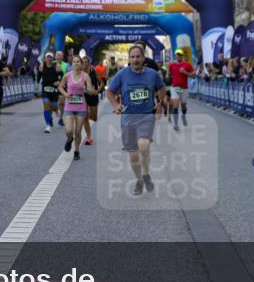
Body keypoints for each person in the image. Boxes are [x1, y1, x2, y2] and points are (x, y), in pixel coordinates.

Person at [107, 44, 166, 195]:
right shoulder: (122, 74)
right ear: (129, 59)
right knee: (133, 155)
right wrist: (116, 105)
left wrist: (159, 104)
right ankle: (140, 180)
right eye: (132, 57)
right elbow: (110, 92)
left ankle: (146, 173)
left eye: (138, 56)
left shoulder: (152, 74)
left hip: (146, 115)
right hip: (128, 118)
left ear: (143, 57)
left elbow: (161, 88)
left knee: (144, 144)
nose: (135, 59)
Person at [59, 55, 94, 161]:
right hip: (69, 106)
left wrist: (85, 88)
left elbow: (90, 92)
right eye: (74, 62)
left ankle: (76, 151)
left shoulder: (86, 76)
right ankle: (69, 139)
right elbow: (60, 87)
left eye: (78, 62)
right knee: (69, 130)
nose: (76, 63)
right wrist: (65, 94)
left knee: (78, 131)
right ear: (72, 63)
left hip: (81, 107)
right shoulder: (67, 75)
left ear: (81, 64)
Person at [168, 48, 195, 131]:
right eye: (177, 54)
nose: (178, 56)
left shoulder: (187, 65)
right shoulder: (172, 65)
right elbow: (169, 74)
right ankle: (176, 124)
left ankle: (184, 116)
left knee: (183, 105)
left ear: (182, 56)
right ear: (175, 55)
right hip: (175, 87)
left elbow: (193, 76)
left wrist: (185, 72)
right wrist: (168, 76)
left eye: (180, 54)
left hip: (184, 88)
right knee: (175, 104)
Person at [38, 52, 62, 133]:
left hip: (54, 90)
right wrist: (37, 84)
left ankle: (53, 114)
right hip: (45, 89)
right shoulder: (42, 66)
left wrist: (59, 82)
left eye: (51, 57)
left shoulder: (56, 66)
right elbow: (39, 75)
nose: (49, 59)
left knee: (54, 107)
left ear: (53, 58)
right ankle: (48, 125)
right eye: (48, 57)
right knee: (46, 105)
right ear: (45, 58)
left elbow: (62, 76)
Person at [82, 56, 102, 145]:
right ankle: (89, 137)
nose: (85, 64)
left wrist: (98, 91)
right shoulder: (79, 72)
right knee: (85, 118)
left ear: (89, 63)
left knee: (94, 118)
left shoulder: (94, 71)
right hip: (83, 96)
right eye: (83, 62)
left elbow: (101, 82)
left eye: (86, 62)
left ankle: (90, 114)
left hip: (93, 95)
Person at [54, 50, 68, 126]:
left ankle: (61, 118)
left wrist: (62, 82)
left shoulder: (66, 65)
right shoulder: (51, 63)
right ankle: (55, 112)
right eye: (57, 55)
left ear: (62, 57)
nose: (59, 57)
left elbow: (67, 76)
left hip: (62, 86)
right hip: (53, 85)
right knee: (51, 103)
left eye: (60, 55)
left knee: (62, 103)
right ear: (55, 56)